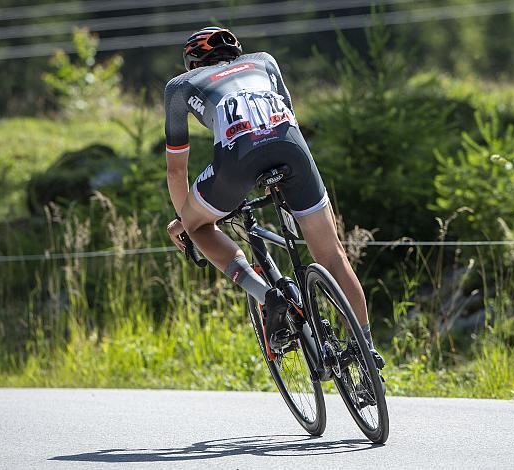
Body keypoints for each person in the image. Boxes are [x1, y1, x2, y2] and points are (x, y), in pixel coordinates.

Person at [164, 26, 383, 366]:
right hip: (293, 152)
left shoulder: (179, 86)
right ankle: (365, 351)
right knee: (333, 255)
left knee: (194, 226)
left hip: (237, 159)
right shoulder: (265, 61)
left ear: (192, 63)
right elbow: (289, 117)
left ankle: (266, 296)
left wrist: (186, 218)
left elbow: (176, 171)